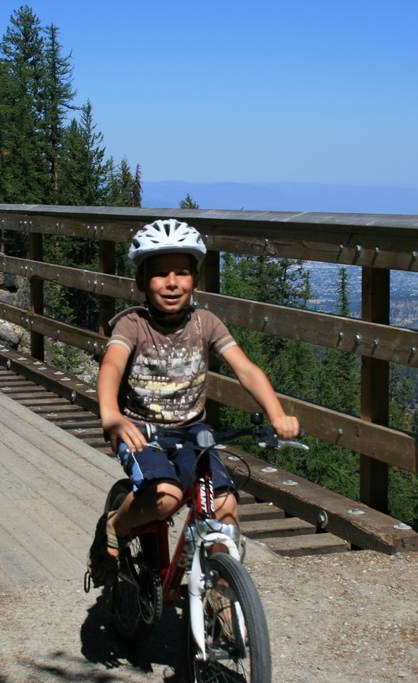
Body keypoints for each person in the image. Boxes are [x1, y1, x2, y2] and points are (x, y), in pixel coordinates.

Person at [88, 218, 300, 584]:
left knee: (224, 506)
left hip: (193, 431)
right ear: (142, 282)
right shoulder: (132, 325)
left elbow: (245, 369)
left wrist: (277, 413)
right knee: (166, 498)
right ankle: (114, 526)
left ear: (194, 279)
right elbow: (111, 366)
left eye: (182, 273)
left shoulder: (206, 322)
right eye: (160, 275)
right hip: (140, 429)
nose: (172, 283)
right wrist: (112, 417)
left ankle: (224, 602)